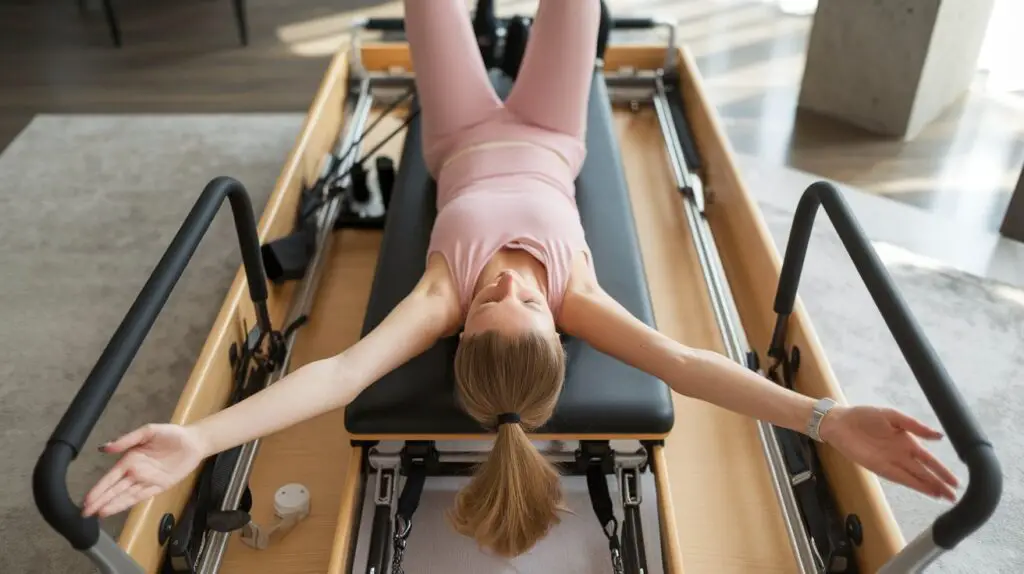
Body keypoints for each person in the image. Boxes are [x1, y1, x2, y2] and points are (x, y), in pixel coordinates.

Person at [82, 0, 959, 559]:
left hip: (458, 136)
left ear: (464, 330)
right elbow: (686, 365)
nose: (509, 288)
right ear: (557, 327)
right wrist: (825, 418)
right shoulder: (578, 294)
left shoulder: (442, 299)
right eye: (527, 305)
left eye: (494, 304)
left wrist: (202, 438)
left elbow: (337, 376)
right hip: (550, 133)